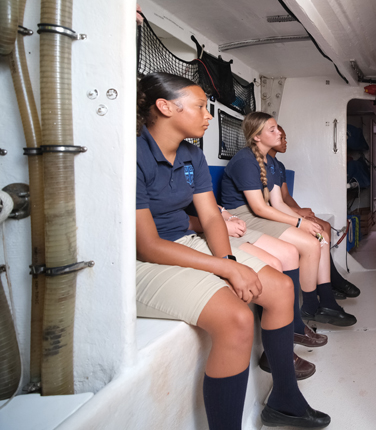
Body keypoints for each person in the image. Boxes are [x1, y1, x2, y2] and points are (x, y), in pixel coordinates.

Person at [135, 72, 329, 429]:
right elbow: (147, 246)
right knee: (237, 319)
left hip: (186, 241)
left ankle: (285, 400)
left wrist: (227, 259)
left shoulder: (191, 154)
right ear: (165, 107)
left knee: (280, 288)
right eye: (199, 107)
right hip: (141, 260)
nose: (208, 115)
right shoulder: (134, 154)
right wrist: (226, 269)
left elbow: (211, 217)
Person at [219, 112, 357, 326]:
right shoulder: (245, 161)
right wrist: (299, 222)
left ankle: (326, 301)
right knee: (311, 244)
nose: (279, 133)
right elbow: (258, 208)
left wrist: (306, 223)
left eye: (278, 128)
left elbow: (278, 203)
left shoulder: (271, 162)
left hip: (262, 212)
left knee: (320, 237)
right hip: (244, 215)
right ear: (257, 136)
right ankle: (310, 306)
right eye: (272, 130)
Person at [187, 207, 327, 380]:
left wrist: (229, 217)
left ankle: (290, 332)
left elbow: (211, 207)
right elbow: (176, 220)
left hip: (218, 223)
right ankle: (273, 352)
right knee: (273, 265)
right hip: (198, 232)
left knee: (288, 254)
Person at [271, 125, 360, 299]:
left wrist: (302, 211)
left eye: (285, 138)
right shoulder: (261, 164)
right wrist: (298, 214)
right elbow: (270, 204)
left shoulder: (278, 166)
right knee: (318, 232)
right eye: (282, 138)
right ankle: (330, 282)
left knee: (325, 225)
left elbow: (285, 196)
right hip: (275, 214)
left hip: (286, 209)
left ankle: (327, 280)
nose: (285, 142)